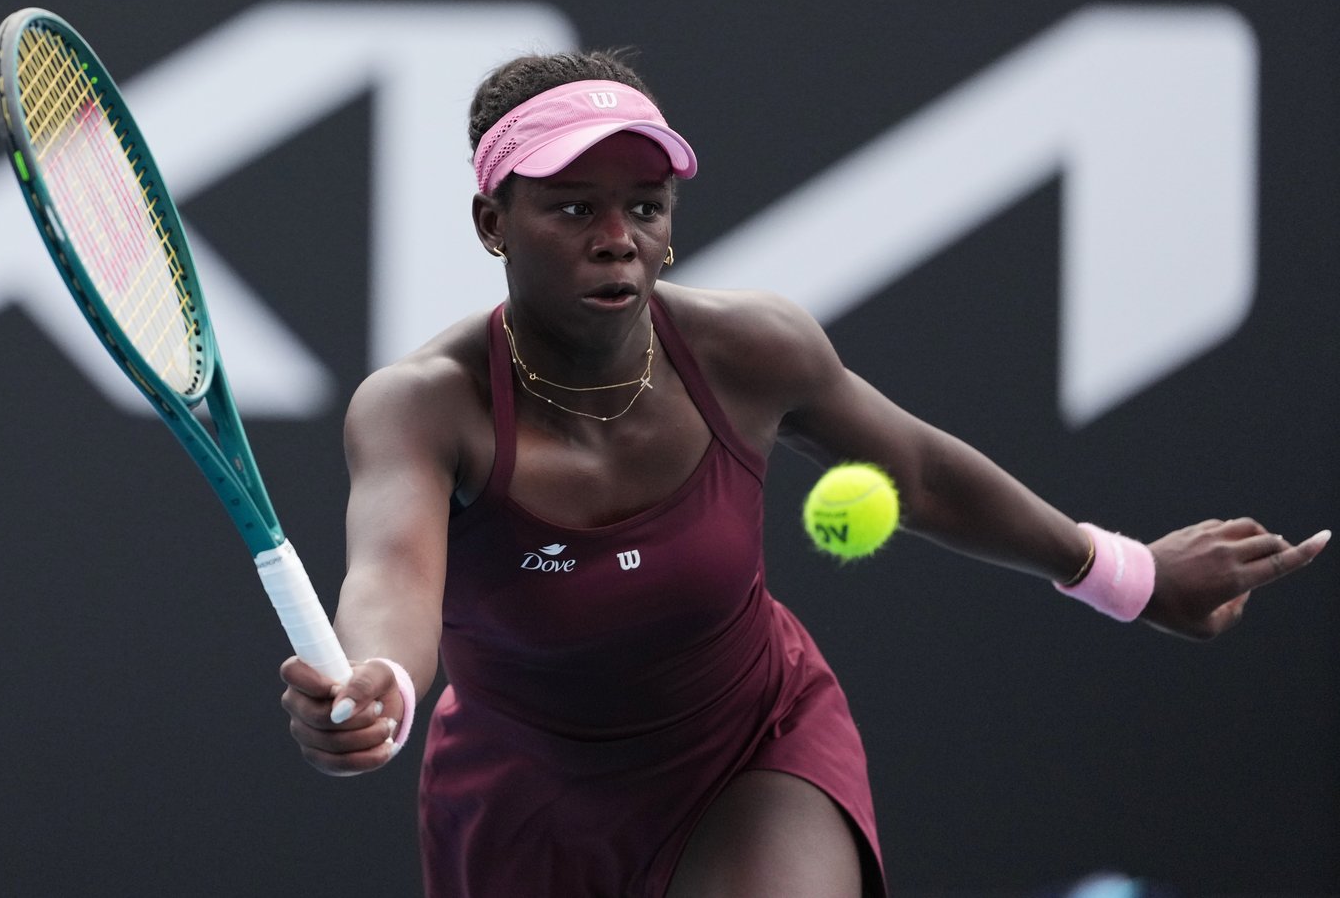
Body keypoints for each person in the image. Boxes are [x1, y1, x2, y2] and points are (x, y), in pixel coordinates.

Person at [278, 50, 1329, 898]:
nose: (616, 240)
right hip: (522, 807)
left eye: (643, 206)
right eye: (570, 208)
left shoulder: (750, 351)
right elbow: (391, 579)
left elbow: (918, 471)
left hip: (747, 752)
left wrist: (1128, 576)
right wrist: (382, 684)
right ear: (490, 222)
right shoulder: (421, 404)